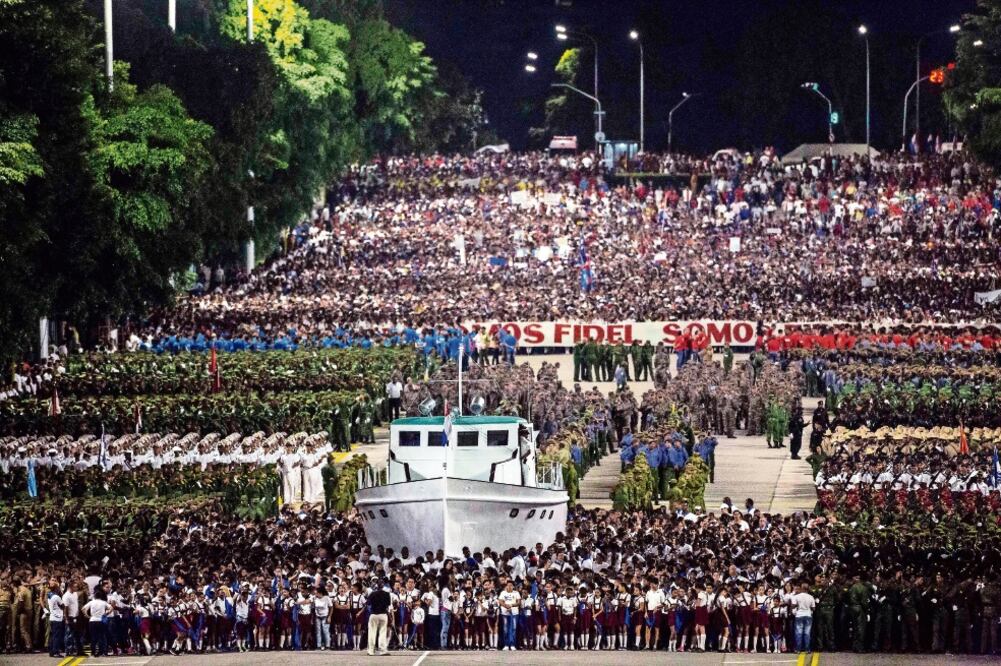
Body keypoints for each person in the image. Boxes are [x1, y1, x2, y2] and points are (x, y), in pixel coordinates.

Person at [367, 580, 391, 656]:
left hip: (373, 614)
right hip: (383, 614)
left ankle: (371, 651)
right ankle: (383, 650)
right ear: (383, 586)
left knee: (372, 632)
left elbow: (368, 604)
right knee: (382, 633)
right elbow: (388, 605)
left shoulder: (372, 594)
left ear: (376, 586)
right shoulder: (387, 594)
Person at [791, 582, 816, 653]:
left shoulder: (797, 597)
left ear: (801, 588)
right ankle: (807, 649)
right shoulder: (811, 597)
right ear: (807, 589)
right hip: (808, 615)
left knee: (798, 633)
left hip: (799, 615)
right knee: (807, 633)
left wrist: (797, 606)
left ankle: (798, 649)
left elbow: (793, 606)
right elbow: (813, 608)